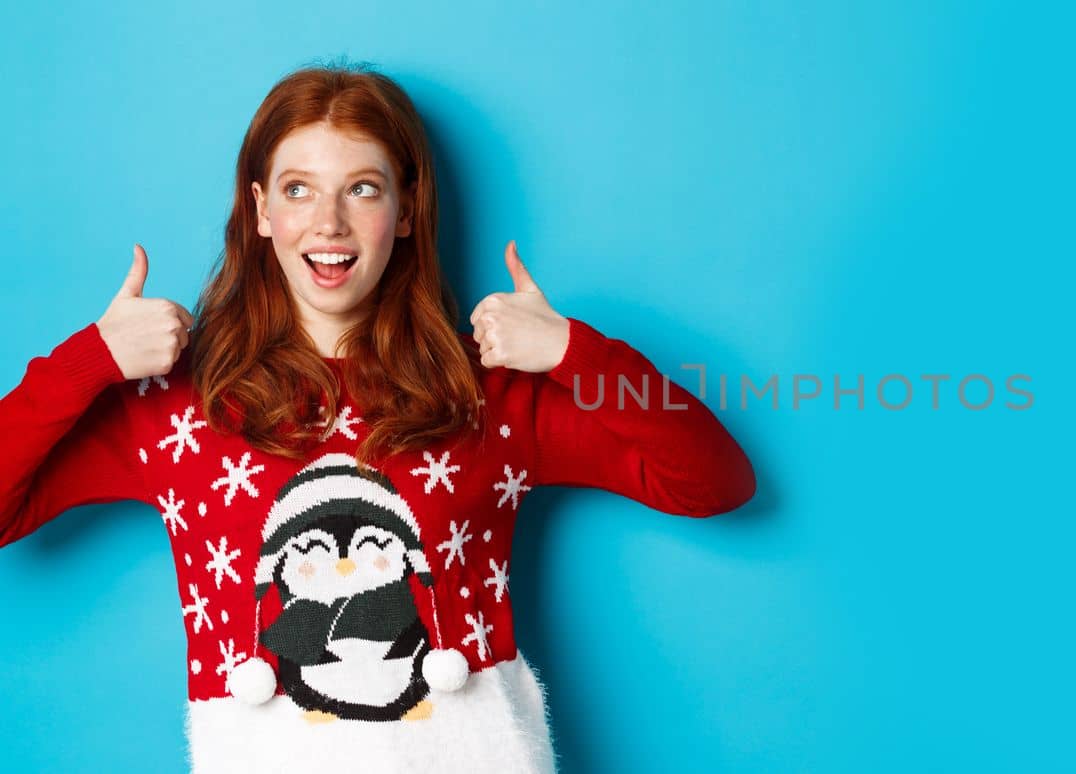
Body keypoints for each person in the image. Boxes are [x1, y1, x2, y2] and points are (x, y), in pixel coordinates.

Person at [0, 63, 756, 774]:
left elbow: (713, 480)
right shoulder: (173, 405)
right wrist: (90, 360)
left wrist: (572, 351)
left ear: (405, 211)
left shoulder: (487, 394)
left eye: (362, 188)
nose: (328, 222)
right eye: (298, 190)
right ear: (260, 209)